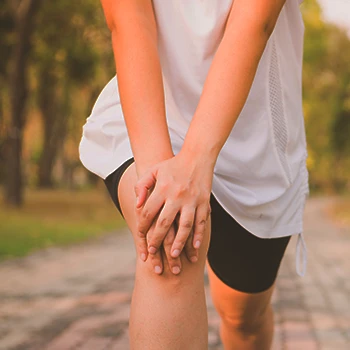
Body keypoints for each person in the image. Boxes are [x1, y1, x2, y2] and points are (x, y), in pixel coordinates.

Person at [79, 0, 310, 348]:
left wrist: (196, 160)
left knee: (243, 318)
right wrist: (161, 183)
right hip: (154, 111)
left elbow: (255, 20)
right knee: (170, 237)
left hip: (254, 138)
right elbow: (129, 19)